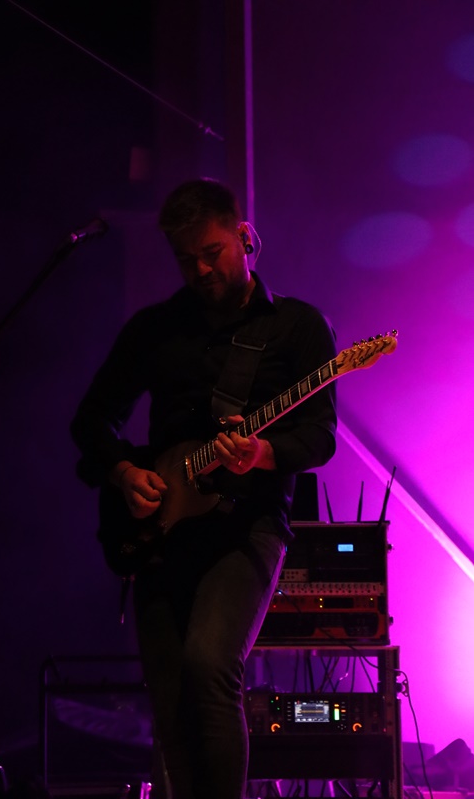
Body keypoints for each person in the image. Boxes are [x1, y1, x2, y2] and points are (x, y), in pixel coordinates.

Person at [70, 178, 337, 799]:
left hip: (248, 524)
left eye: (212, 252)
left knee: (209, 666)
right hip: (161, 530)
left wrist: (262, 452)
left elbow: (319, 436)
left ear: (244, 237)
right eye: (185, 258)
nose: (200, 270)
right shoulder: (155, 328)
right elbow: (91, 420)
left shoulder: (296, 327)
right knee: (168, 693)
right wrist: (124, 472)